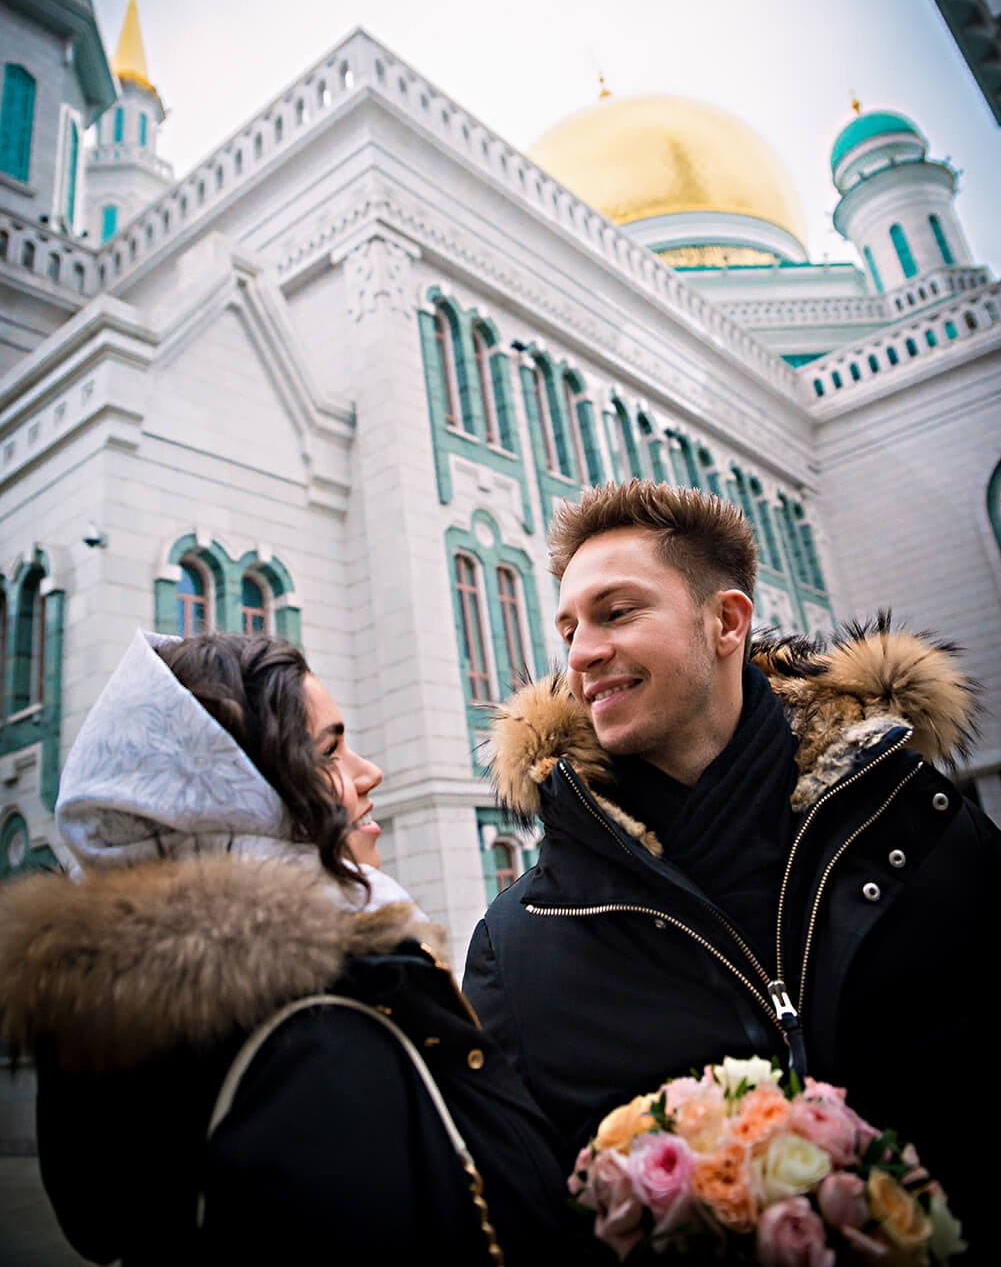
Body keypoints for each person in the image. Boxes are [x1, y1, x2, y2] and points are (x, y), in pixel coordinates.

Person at [462, 479, 1000, 1263]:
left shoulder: (923, 830)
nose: (580, 656)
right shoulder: (521, 945)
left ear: (724, 621)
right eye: (569, 627)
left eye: (615, 613)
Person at [0, 629, 576, 1266]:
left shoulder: (168, 1035)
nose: (369, 772)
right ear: (236, 803)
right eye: (329, 752)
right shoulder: (321, 1041)